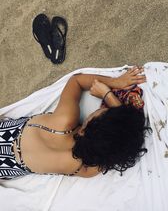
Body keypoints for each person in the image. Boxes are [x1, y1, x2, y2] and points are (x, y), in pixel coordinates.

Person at [0, 66, 150, 180]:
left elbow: (76, 80)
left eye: (103, 111)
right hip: (7, 167)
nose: (102, 108)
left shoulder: (64, 122)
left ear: (84, 129)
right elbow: (120, 142)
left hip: (8, 134)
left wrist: (110, 88)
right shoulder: (84, 167)